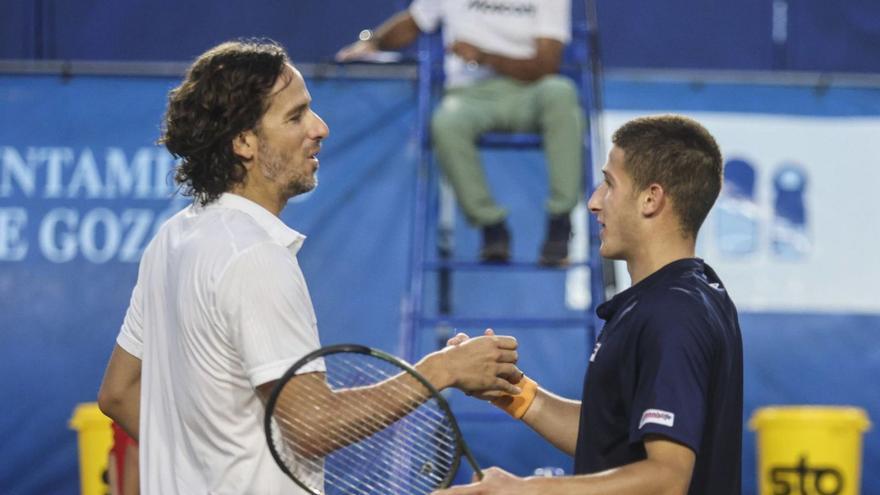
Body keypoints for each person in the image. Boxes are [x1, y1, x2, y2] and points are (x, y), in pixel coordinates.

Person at [97, 39, 524, 495]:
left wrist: (204, 468)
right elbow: (312, 427)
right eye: (295, 116)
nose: (320, 128)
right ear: (243, 141)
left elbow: (119, 394)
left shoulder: (174, 237)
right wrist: (443, 370)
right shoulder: (253, 257)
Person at [436, 115, 743, 494]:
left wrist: (524, 490)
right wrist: (515, 393)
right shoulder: (681, 297)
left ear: (651, 198)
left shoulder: (672, 314)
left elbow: (667, 479)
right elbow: (611, 436)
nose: (594, 202)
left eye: (609, 184)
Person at [336, 0, 584, 266]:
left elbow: (546, 65)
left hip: (532, 92)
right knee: (446, 122)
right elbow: (414, 21)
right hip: (469, 96)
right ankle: (491, 225)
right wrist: (372, 43)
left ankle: (560, 220)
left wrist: (485, 57)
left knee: (561, 93)